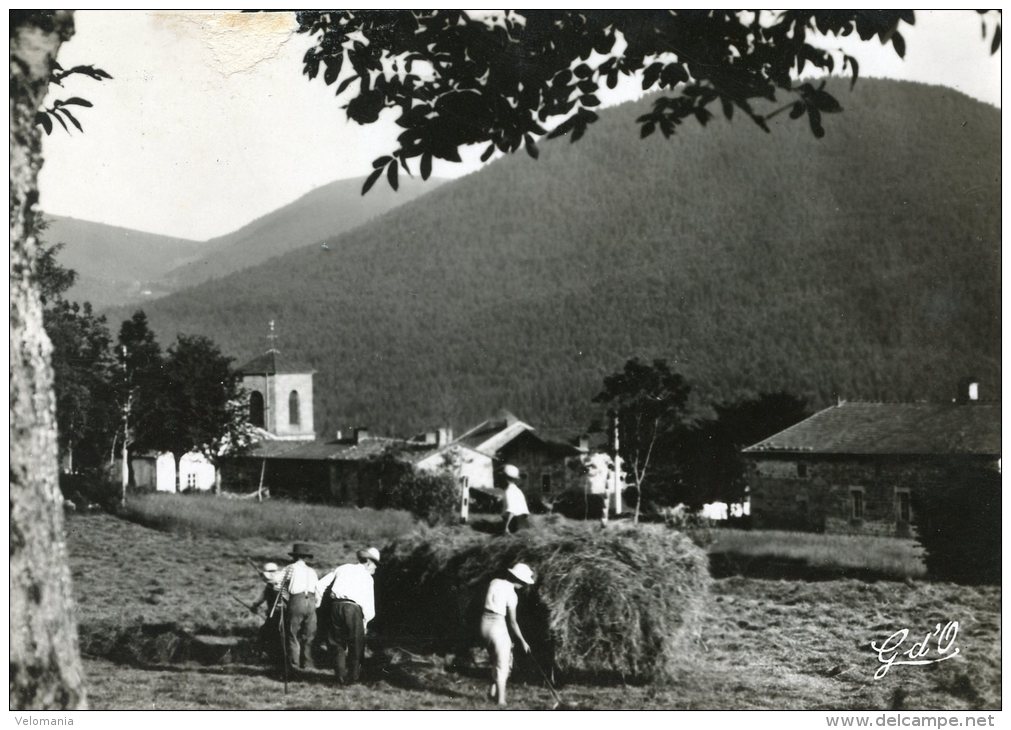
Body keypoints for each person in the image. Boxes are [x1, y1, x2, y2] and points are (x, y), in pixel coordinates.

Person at [315, 547, 380, 685]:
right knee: (356, 644)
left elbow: (320, 585)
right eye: (375, 565)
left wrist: (319, 606)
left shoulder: (343, 568)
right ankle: (353, 679)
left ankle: (339, 677)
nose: (376, 568)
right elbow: (368, 602)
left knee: (336, 644)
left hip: (335, 606)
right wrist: (365, 623)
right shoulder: (368, 577)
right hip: (353, 609)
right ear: (368, 562)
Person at [481, 563, 534, 707]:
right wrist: (523, 641)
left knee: (495, 659)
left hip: (484, 624)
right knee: (503, 663)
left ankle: (492, 692)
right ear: (520, 580)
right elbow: (513, 622)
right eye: (524, 582)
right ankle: (501, 700)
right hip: (497, 624)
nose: (524, 585)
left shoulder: (494, 582)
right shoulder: (512, 595)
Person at [279, 543, 319, 672]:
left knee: (292, 633)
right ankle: (307, 662)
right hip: (312, 601)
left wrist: (286, 598)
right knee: (309, 634)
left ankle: (294, 664)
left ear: (295, 557)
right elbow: (318, 590)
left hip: (297, 600)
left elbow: (278, 583)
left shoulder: (290, 568)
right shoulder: (312, 571)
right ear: (306, 557)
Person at [250, 562, 284, 663]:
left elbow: (262, 597)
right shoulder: (281, 583)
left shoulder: (271, 586)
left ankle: (262, 655)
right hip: (280, 613)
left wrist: (255, 605)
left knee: (265, 632)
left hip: (276, 614)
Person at [501, 464, 530, 534]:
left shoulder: (509, 491)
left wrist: (506, 528)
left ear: (505, 478)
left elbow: (512, 510)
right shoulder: (517, 490)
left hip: (516, 525)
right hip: (524, 524)